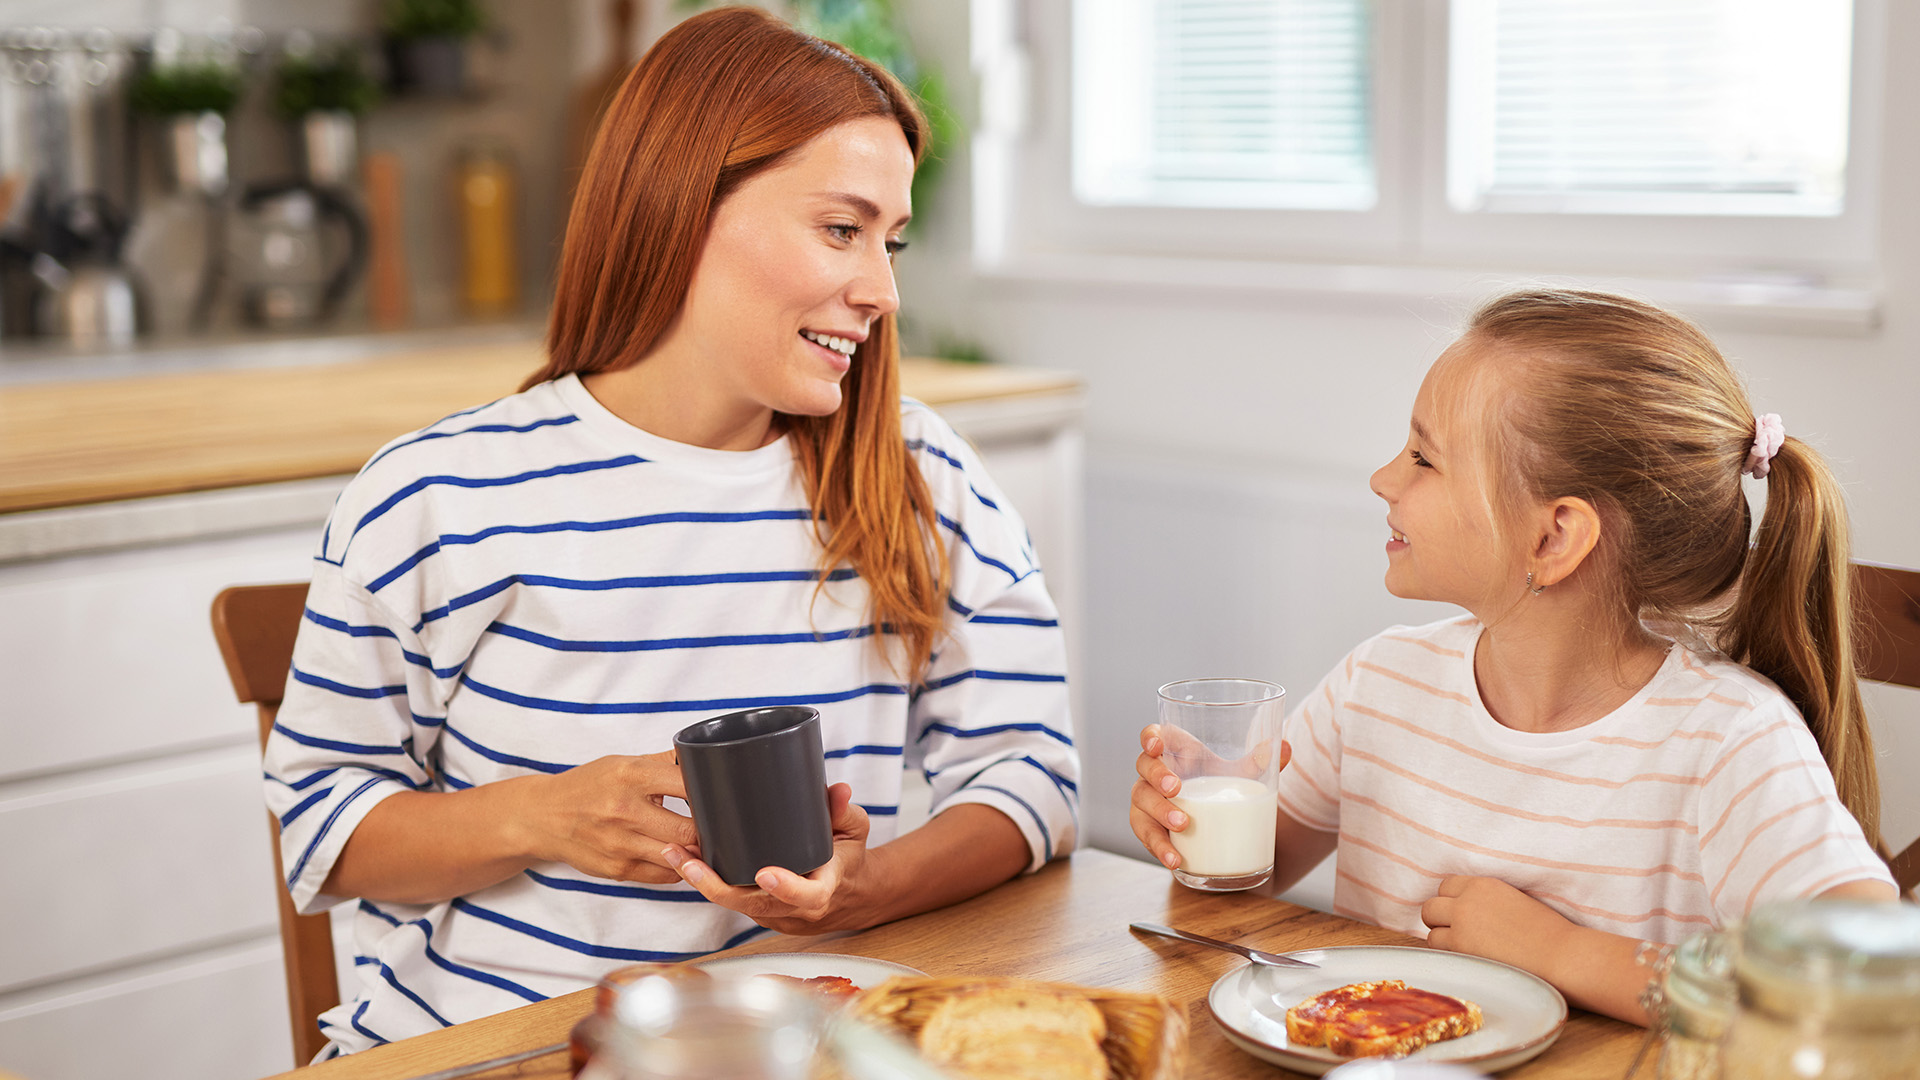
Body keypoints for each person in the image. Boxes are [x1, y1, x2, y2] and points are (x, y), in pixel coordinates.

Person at [263, 7, 1077, 1057]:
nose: (882, 289)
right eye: (842, 229)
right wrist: (548, 816)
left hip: (793, 1050)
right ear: (682, 206)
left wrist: (865, 889)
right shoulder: (441, 494)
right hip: (505, 1051)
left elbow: (1032, 778)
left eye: (892, 240)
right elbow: (326, 832)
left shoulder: (922, 478)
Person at [1130, 288, 1895, 1025]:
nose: (1383, 479)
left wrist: (1567, 952)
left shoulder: (1727, 739)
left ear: (1554, 538)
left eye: (1424, 459)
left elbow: (1863, 982)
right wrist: (1197, 816)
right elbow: (1235, 896)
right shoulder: (1381, 686)